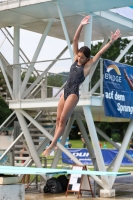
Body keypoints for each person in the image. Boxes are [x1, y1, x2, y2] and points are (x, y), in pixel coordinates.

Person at [42, 15, 121, 157]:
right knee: (58, 120)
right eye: (78, 55)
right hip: (65, 91)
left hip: (73, 94)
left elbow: (99, 53)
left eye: (82, 57)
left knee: (62, 121)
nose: (79, 58)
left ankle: (53, 145)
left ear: (87, 59)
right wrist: (81, 25)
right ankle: (53, 144)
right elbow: (76, 40)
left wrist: (111, 41)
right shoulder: (75, 59)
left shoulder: (87, 66)